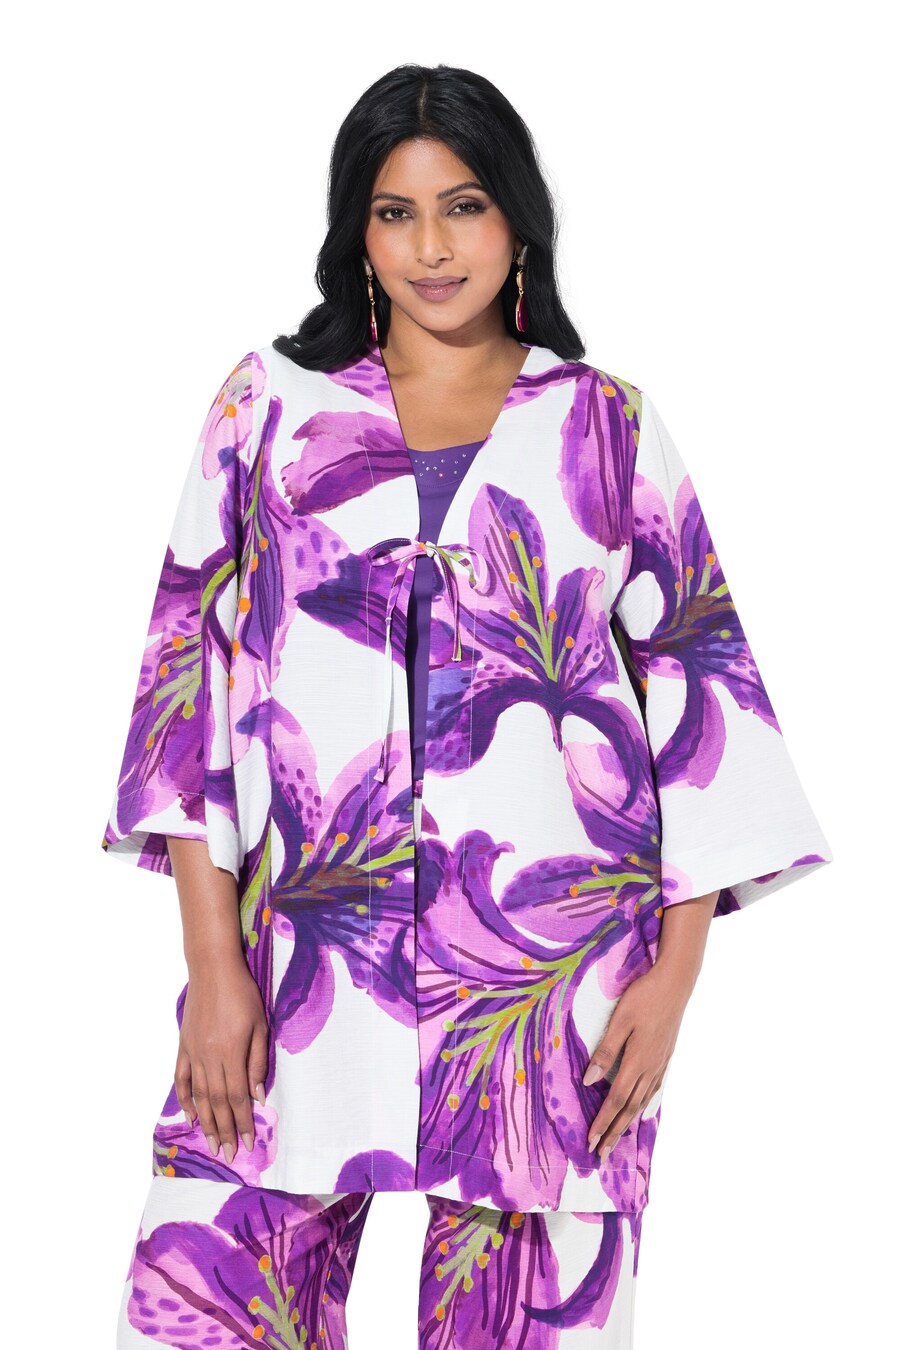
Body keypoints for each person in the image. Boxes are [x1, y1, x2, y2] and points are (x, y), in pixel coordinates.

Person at [101, 63, 833, 1349]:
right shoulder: (267, 408)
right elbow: (187, 689)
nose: (433, 249)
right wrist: (213, 969)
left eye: (465, 207)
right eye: (396, 213)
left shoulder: (606, 426)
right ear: (357, 232)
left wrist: (671, 983)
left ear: (518, 222)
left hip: (548, 983)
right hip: (296, 962)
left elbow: (704, 702)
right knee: (208, 1309)